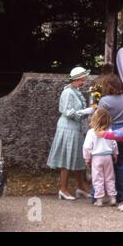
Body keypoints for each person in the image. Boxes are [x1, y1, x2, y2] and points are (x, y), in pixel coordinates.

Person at [47, 66, 94, 200]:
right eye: (81, 80)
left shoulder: (75, 91)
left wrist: (86, 112)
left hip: (75, 128)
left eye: (83, 80)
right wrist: (85, 112)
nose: (83, 82)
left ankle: (80, 186)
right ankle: (63, 189)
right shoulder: (68, 92)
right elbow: (68, 112)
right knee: (66, 158)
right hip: (68, 128)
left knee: (79, 157)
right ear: (75, 79)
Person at [98, 74, 123, 202]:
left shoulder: (104, 101)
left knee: (104, 166)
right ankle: (122, 195)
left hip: (109, 133)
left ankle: (101, 195)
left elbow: (100, 119)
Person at [83, 108, 118, 207]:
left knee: (98, 178)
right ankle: (112, 198)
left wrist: (87, 158)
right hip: (108, 157)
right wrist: (115, 154)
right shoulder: (109, 131)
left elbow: (87, 147)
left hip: (96, 158)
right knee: (110, 178)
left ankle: (99, 199)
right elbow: (114, 143)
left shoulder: (91, 132)